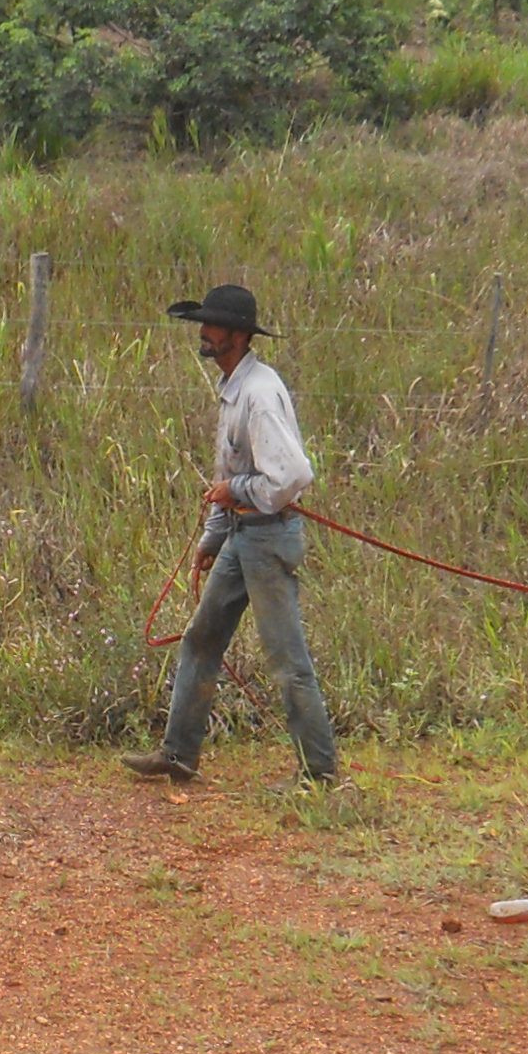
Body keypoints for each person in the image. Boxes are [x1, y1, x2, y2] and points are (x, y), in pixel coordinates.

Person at [124, 282, 341, 788]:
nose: (203, 333)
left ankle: (321, 773)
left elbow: (290, 477)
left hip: (268, 539)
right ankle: (178, 755)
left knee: (288, 662)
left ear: (238, 337)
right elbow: (234, 473)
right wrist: (213, 538)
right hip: (245, 536)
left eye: (213, 325)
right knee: (201, 641)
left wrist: (233, 492)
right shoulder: (235, 389)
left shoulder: (259, 395)